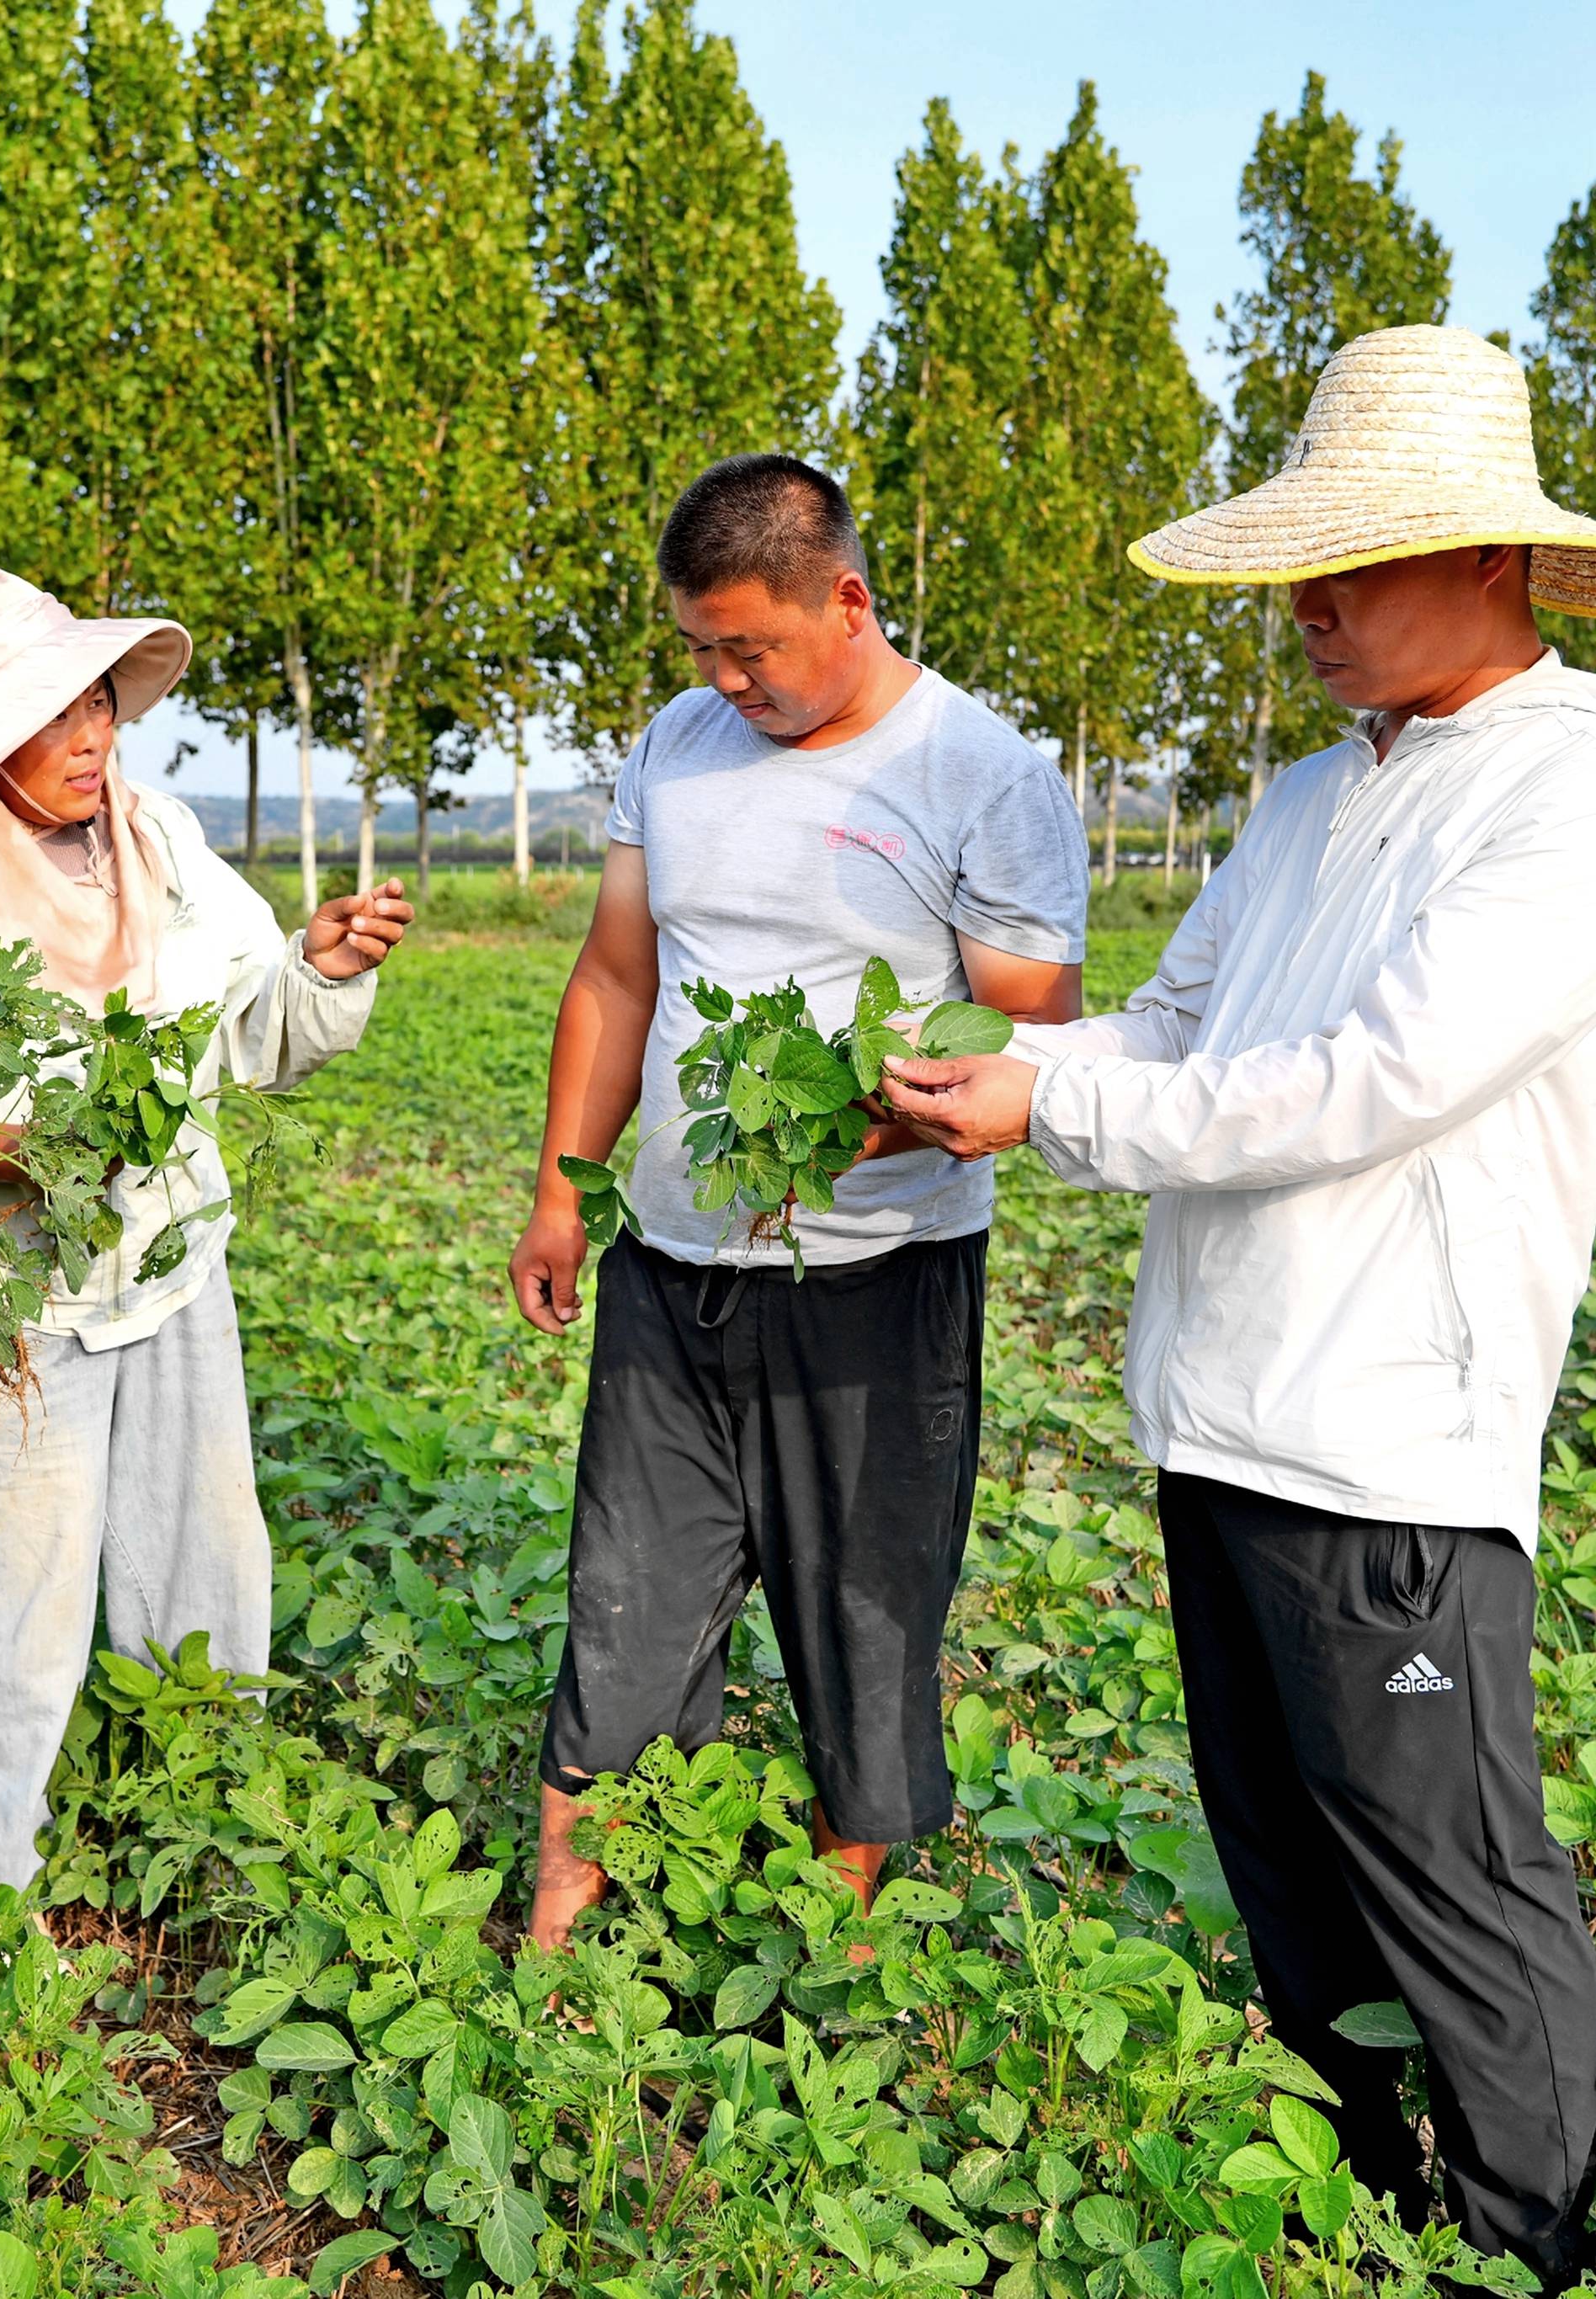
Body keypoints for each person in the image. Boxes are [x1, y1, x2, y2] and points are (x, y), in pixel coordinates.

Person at [881, 323, 1596, 2291]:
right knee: (1287, 1862)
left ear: (1491, 561)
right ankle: (1368, 2206)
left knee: (1449, 1876)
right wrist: (976, 1062)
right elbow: (1178, 1020)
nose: (1308, 610)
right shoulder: (1315, 794)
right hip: (1220, 1407)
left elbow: (1365, 1081)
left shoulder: (1576, 801)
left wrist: (1050, 1100)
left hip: (1390, 1442)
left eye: (1352, 563)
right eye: (1294, 571)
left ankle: (1526, 2245)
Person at [511, 454, 1087, 1950]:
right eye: (698, 646)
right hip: (672, 1270)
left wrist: (867, 1137)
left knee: (865, 1613)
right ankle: (562, 1929)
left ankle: (827, 1954)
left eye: (748, 647)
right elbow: (618, 976)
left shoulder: (985, 778)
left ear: (848, 599)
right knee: (623, 1601)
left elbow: (1030, 1047)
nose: (721, 679)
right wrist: (566, 1193)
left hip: (877, 1287)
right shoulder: (678, 747)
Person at [0, 570, 412, 1896]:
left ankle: (205, 1831)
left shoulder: (166, 845)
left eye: (99, 701)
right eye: (56, 715)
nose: (95, 735)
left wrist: (322, 968)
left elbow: (258, 1030)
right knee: (11, 1616)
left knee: (201, 1564)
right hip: (8, 1314)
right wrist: (18, 1140)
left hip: (171, 1275)